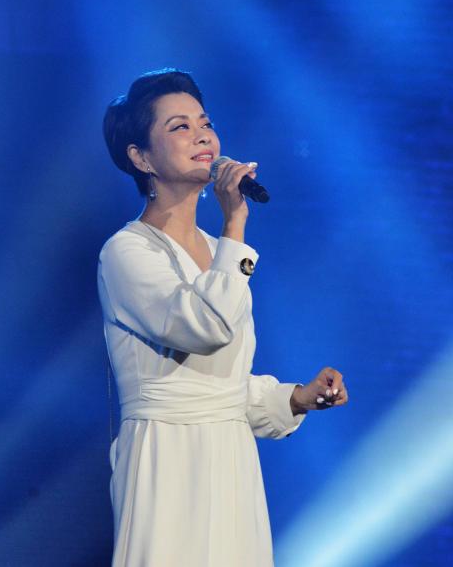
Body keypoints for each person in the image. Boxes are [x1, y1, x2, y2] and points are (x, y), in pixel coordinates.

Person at [99, 68, 349, 566]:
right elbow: (205, 329)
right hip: (168, 460)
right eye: (179, 127)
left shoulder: (221, 253)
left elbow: (221, 385)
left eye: (205, 123)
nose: (202, 135)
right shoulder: (127, 252)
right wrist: (235, 220)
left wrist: (295, 398)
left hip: (230, 459)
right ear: (140, 157)